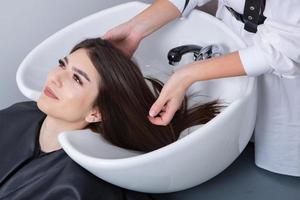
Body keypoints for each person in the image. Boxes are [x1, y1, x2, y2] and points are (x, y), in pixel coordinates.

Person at [0, 37, 221, 199]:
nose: (56, 78)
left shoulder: (80, 187)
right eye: (62, 64)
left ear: (97, 112)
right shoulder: (20, 114)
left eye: (77, 79)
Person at [103, 0, 300, 177]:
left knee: (275, 150)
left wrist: (187, 74)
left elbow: (285, 50)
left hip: (282, 72)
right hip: (233, 32)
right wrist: (135, 29)